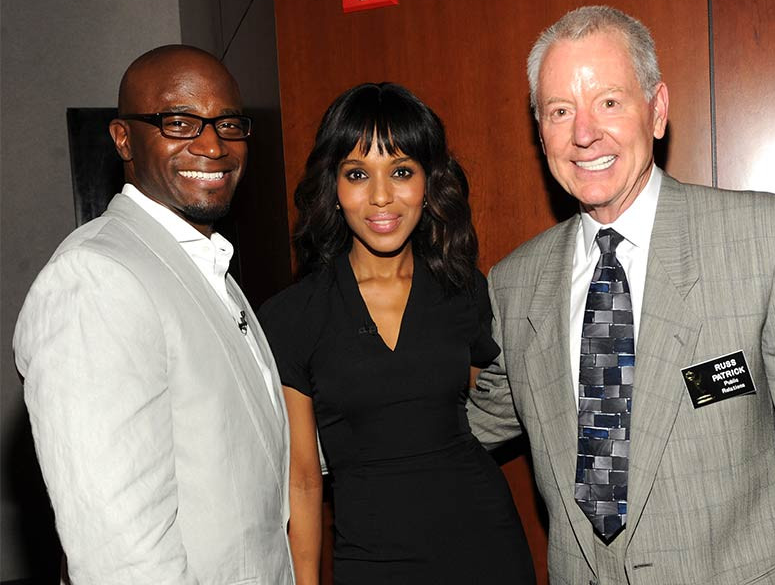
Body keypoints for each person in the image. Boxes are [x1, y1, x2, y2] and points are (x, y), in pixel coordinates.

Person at [467, 5, 775, 585]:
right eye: (560, 111)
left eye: (609, 102)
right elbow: (466, 424)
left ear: (657, 110)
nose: (584, 133)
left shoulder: (770, 242)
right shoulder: (513, 284)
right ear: (540, 130)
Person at [13, 45, 296, 584]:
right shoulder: (97, 279)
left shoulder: (208, 267)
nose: (212, 144)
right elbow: (120, 556)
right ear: (123, 138)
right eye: (180, 121)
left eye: (229, 123)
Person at [259, 82, 536, 584]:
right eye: (358, 174)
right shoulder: (292, 316)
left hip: (485, 545)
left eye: (402, 171)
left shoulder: (464, 289)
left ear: (429, 183)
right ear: (334, 187)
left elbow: (490, 406)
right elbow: (301, 481)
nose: (381, 196)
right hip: (372, 559)